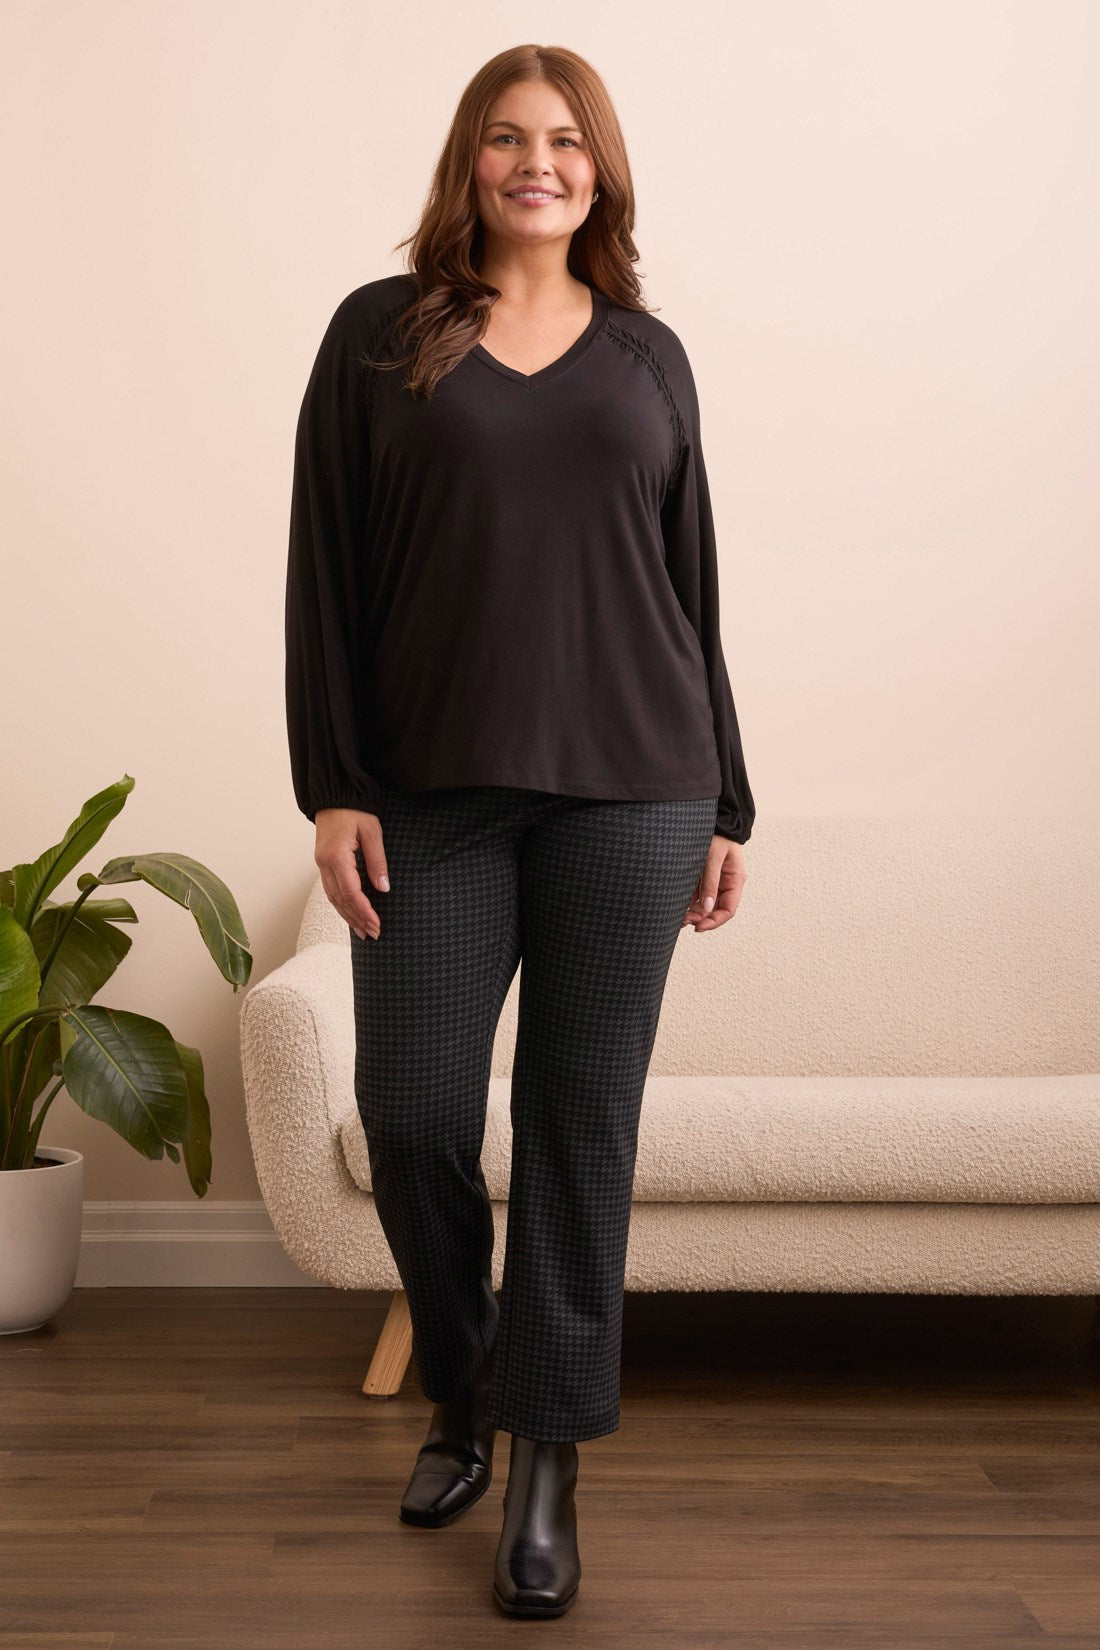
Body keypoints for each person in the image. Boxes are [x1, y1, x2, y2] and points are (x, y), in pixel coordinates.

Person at [284, 43, 755, 1621]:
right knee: (414, 1109)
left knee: (577, 1127)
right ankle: (466, 1383)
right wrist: (333, 782)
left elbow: (689, 586)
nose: (535, 161)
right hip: (432, 793)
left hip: (636, 788)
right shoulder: (381, 334)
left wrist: (728, 796)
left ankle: (547, 1460)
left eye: (563, 139)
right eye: (505, 137)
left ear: (599, 169)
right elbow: (324, 568)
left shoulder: (648, 356)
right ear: (468, 163)